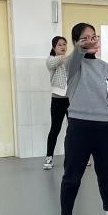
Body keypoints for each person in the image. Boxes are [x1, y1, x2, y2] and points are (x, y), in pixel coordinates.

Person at [57, 23, 108, 215]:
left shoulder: (105, 67)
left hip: (105, 127)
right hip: (79, 127)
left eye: (94, 36)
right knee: (72, 175)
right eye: (85, 37)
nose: (91, 40)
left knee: (107, 175)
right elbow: (77, 53)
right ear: (76, 42)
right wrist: (82, 46)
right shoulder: (72, 65)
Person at [44, 36, 69, 169]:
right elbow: (52, 64)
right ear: (54, 47)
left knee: (74, 129)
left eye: (64, 44)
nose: (63, 47)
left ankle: (78, 156)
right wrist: (65, 58)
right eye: (60, 45)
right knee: (55, 129)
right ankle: (49, 157)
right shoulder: (51, 59)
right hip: (58, 100)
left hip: (71, 99)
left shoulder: (68, 60)